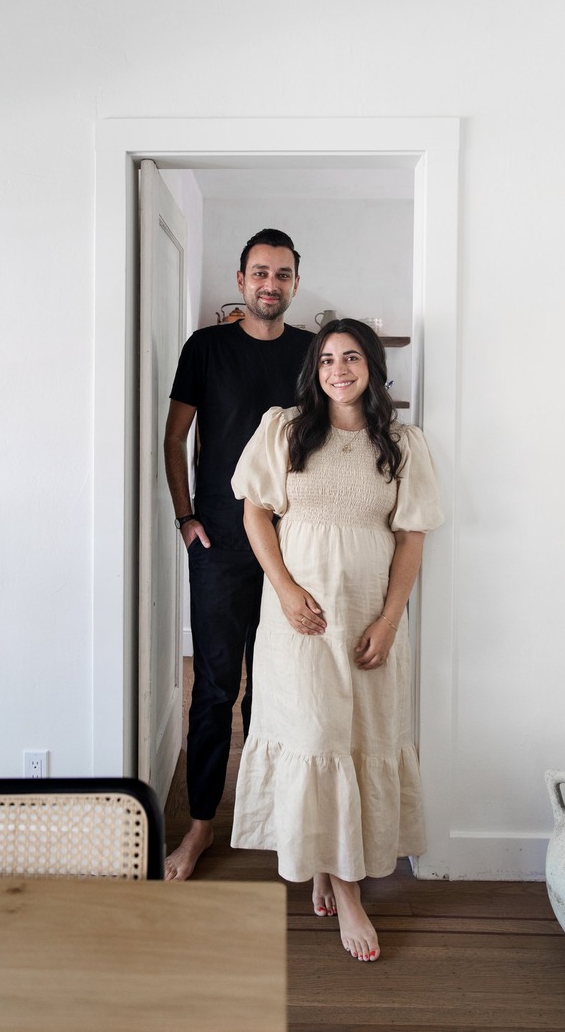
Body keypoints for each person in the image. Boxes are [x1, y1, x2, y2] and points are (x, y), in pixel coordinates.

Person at [230, 318, 443, 961]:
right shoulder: (286, 429)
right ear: (314, 370)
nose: (338, 369)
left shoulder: (402, 444)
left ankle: (335, 871)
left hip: (367, 619)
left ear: (373, 367)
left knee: (356, 739)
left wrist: (388, 619)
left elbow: (411, 536)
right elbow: (254, 512)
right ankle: (346, 889)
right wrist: (287, 591)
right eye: (326, 360)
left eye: (351, 358)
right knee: (314, 735)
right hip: (299, 618)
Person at [163, 228, 313, 881]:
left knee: (279, 688)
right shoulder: (207, 348)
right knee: (217, 688)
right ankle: (200, 826)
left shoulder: (313, 353)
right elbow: (174, 439)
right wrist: (186, 516)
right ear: (241, 279)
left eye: (281, 274)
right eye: (259, 272)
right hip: (221, 540)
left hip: (295, 543)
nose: (269, 284)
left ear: (295, 284)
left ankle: (271, 819)